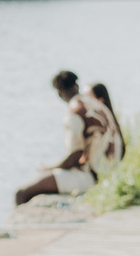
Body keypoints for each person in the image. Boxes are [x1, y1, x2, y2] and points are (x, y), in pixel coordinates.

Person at [13, 70, 123, 206]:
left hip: (93, 177)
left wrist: (49, 168)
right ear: (76, 85)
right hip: (110, 173)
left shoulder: (74, 113)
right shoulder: (95, 103)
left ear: (59, 93)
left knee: (22, 192)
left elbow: (74, 156)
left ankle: (18, 227)